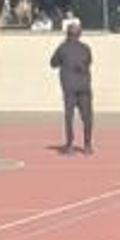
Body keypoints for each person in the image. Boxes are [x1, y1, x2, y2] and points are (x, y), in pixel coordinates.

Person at [50, 20, 93, 155]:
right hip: (84, 86)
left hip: (69, 87)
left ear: (67, 34)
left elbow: (53, 63)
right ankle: (87, 145)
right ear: (79, 35)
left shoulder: (62, 48)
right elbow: (89, 61)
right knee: (87, 117)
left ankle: (69, 145)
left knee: (69, 117)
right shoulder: (85, 48)